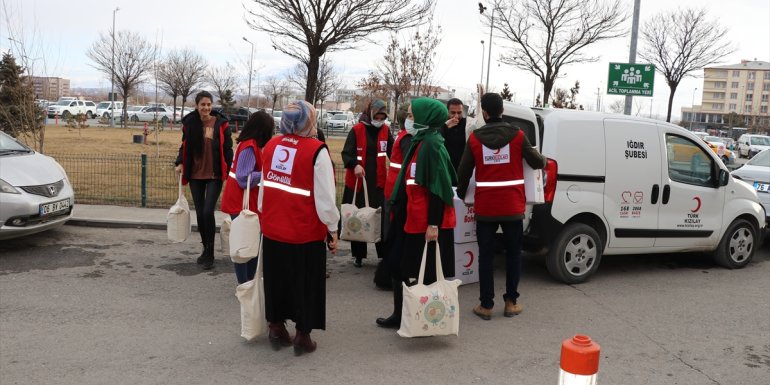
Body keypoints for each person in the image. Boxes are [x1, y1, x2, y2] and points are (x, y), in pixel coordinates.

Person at [258, 100, 340, 356]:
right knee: (306, 282)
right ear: (310, 120)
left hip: (273, 227)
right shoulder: (317, 151)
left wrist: (264, 214)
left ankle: (275, 327)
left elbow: (264, 186)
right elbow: (325, 197)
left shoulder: (272, 145)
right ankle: (303, 335)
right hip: (304, 231)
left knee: (276, 280)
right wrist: (333, 228)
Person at [455, 93, 546, 320]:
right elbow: (536, 161)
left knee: (485, 257)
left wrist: (461, 193)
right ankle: (511, 303)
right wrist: (544, 160)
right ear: (502, 111)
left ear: (485, 113)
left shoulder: (474, 139)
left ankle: (486, 305)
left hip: (485, 208)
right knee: (514, 255)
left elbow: (463, 172)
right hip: (512, 207)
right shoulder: (518, 136)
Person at [376, 97, 456, 328]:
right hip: (408, 214)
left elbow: (437, 189)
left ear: (425, 118)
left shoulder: (432, 145)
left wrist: (433, 224)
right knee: (395, 264)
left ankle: (424, 320)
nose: (408, 120)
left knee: (423, 272)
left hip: (424, 221)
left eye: (412, 116)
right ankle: (400, 315)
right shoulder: (420, 140)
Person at [175, 91, 233, 270]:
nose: (206, 108)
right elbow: (184, 146)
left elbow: (228, 149)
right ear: (197, 106)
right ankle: (206, 249)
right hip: (195, 175)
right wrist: (180, 162)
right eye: (203, 105)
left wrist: (230, 169)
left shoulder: (221, 124)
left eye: (209, 104)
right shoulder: (190, 124)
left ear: (212, 106)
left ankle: (210, 252)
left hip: (214, 175)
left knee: (208, 212)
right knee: (200, 214)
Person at [220, 111, 274, 284]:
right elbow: (244, 178)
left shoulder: (248, 144)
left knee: (248, 243)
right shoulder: (250, 147)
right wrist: (266, 174)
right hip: (241, 202)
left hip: (242, 201)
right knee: (244, 245)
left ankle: (248, 281)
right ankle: (245, 283)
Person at [341, 99, 394, 267]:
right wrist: (354, 165)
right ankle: (358, 255)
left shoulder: (385, 130)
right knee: (359, 216)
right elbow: (346, 153)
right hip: (358, 181)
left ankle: (383, 254)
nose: (379, 120)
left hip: (378, 182)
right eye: (377, 117)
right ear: (370, 114)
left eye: (382, 118)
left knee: (379, 217)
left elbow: (394, 152)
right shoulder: (357, 130)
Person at [439, 98, 467, 174]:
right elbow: (435, 139)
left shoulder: (467, 124)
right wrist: (445, 127)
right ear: (447, 112)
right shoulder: (441, 124)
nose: (456, 116)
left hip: (462, 169)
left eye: (459, 113)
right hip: (445, 168)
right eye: (453, 113)